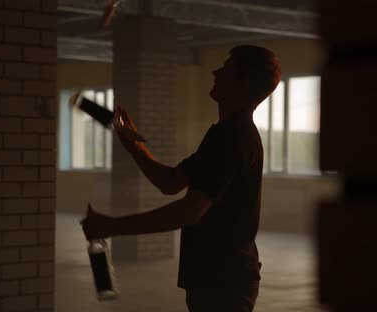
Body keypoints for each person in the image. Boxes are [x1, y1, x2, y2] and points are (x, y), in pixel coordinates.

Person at [79, 45, 281, 312]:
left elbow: (188, 212)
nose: (215, 71)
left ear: (243, 84)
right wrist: (134, 146)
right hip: (212, 279)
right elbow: (171, 182)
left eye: (227, 68)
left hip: (224, 284)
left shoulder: (234, 139)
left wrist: (111, 227)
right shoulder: (221, 135)